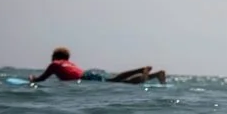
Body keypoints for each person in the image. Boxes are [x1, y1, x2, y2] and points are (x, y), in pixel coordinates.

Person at [28, 47, 168, 85]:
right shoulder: (69, 63)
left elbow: (41, 79)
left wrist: (31, 78)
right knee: (114, 80)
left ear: (54, 56)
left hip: (86, 79)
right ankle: (154, 75)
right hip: (88, 74)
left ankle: (141, 72)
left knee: (119, 82)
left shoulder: (54, 64)